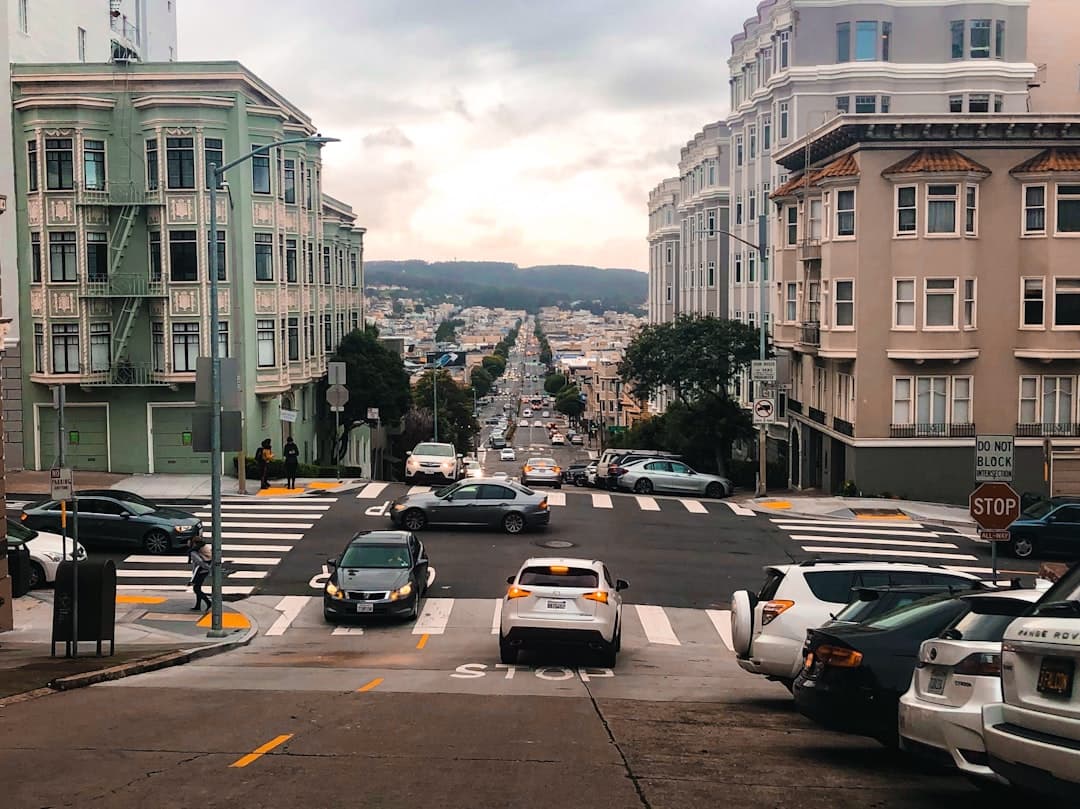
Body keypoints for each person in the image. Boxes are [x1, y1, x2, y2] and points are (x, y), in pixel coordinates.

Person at [188, 538, 212, 611]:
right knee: (197, 588)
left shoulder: (194, 552)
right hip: (205, 569)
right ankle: (198, 606)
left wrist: (191, 581)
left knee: (196, 588)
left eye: (190, 542)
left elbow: (199, 563)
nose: (188, 544)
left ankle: (208, 602)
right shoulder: (204, 547)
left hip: (201, 570)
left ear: (194, 543)